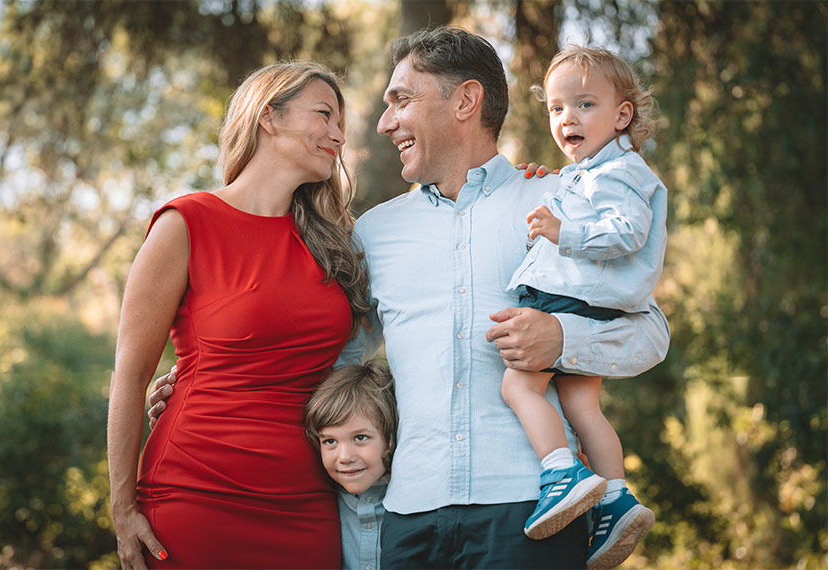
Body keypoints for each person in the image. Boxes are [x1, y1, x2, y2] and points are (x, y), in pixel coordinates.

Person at [149, 26, 670, 569]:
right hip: (407, 521)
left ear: (466, 100)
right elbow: (335, 359)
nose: (383, 123)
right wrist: (207, 386)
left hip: (531, 510)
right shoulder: (373, 234)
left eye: (401, 99)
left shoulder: (556, 202)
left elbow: (649, 331)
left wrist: (563, 337)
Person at [107, 62, 371, 569]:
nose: (338, 136)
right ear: (268, 117)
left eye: (341, 122)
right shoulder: (185, 223)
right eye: (324, 115)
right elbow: (131, 373)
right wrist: (122, 508)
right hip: (196, 492)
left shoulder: (337, 243)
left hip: (307, 500)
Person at [501, 45, 664, 569]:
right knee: (581, 405)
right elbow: (589, 197)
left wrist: (561, 230)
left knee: (518, 385)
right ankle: (615, 498)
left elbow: (626, 230)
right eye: (556, 108)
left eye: (585, 105)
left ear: (622, 115)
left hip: (570, 294)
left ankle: (560, 471)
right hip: (592, 301)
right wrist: (551, 182)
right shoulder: (595, 170)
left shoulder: (616, 172)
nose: (567, 117)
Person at [303, 360, 397, 570]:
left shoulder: (411, 501)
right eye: (330, 441)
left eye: (360, 437)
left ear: (389, 435)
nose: (344, 457)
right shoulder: (322, 503)